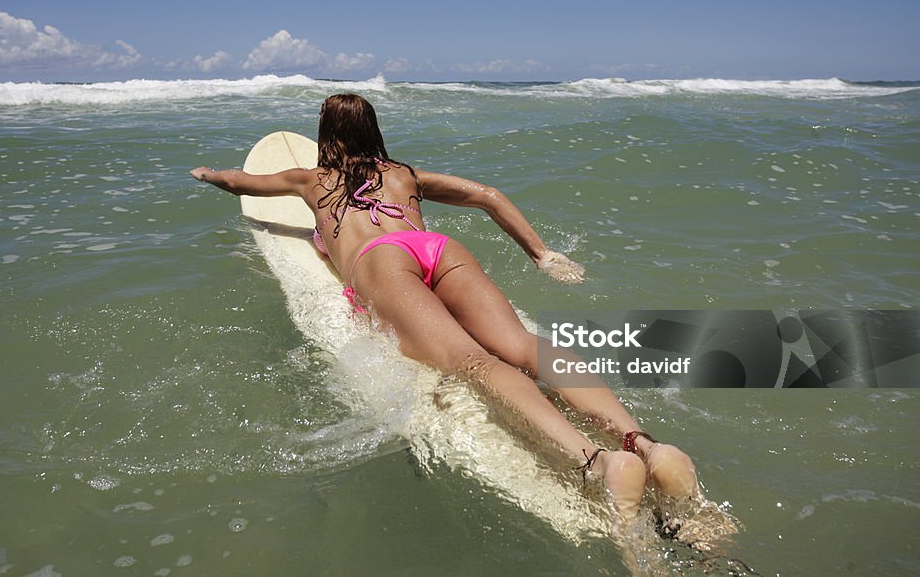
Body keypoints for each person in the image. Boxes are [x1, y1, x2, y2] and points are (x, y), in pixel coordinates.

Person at [190, 93, 697, 520]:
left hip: (381, 263)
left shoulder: (310, 181)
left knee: (474, 363)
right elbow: (489, 195)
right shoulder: (405, 175)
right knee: (524, 345)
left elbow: (242, 182)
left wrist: (210, 175)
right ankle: (645, 445)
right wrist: (542, 255)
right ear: (373, 130)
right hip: (435, 249)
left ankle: (595, 462)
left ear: (326, 135)